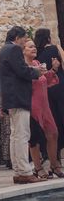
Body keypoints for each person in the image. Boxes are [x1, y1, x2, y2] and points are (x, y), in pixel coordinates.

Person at [0, 26, 46, 185]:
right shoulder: (14, 50)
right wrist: (37, 72)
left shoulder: (3, 50)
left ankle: (18, 170)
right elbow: (22, 71)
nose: (25, 42)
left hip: (10, 98)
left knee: (15, 135)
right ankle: (24, 171)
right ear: (17, 37)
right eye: (24, 38)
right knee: (22, 135)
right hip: (18, 97)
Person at [23, 39, 62, 178]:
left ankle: (54, 164)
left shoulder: (37, 63)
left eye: (34, 46)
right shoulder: (22, 67)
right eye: (30, 47)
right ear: (23, 50)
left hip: (45, 106)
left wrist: (54, 69)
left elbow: (46, 80)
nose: (34, 48)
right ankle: (38, 168)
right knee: (35, 138)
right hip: (33, 105)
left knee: (53, 133)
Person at [35, 28, 64, 161]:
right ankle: (58, 153)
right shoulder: (56, 48)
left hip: (46, 87)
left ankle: (53, 153)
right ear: (48, 38)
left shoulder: (37, 54)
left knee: (51, 119)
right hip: (59, 84)